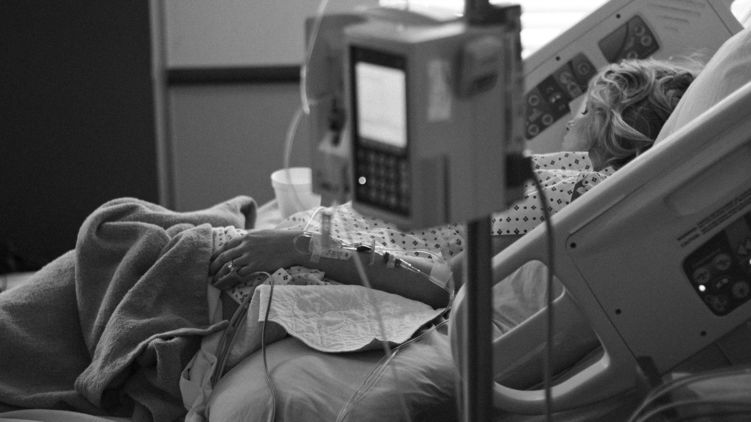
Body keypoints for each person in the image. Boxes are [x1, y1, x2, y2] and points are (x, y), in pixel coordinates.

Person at [208, 57, 701, 307]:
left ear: (617, 131)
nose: (572, 118)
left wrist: (302, 247)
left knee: (172, 250)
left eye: (588, 111)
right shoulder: (564, 173)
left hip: (327, 257)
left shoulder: (574, 193)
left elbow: (443, 281)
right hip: (338, 231)